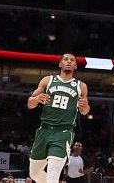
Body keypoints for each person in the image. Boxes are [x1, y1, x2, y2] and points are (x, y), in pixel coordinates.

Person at [26, 54, 91, 183]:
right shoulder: (48, 80)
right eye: (66, 59)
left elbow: (85, 111)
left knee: (52, 174)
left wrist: (85, 107)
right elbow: (30, 104)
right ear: (60, 64)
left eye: (72, 60)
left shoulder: (80, 86)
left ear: (75, 66)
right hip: (44, 130)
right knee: (34, 174)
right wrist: (37, 99)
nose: (69, 62)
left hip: (63, 133)